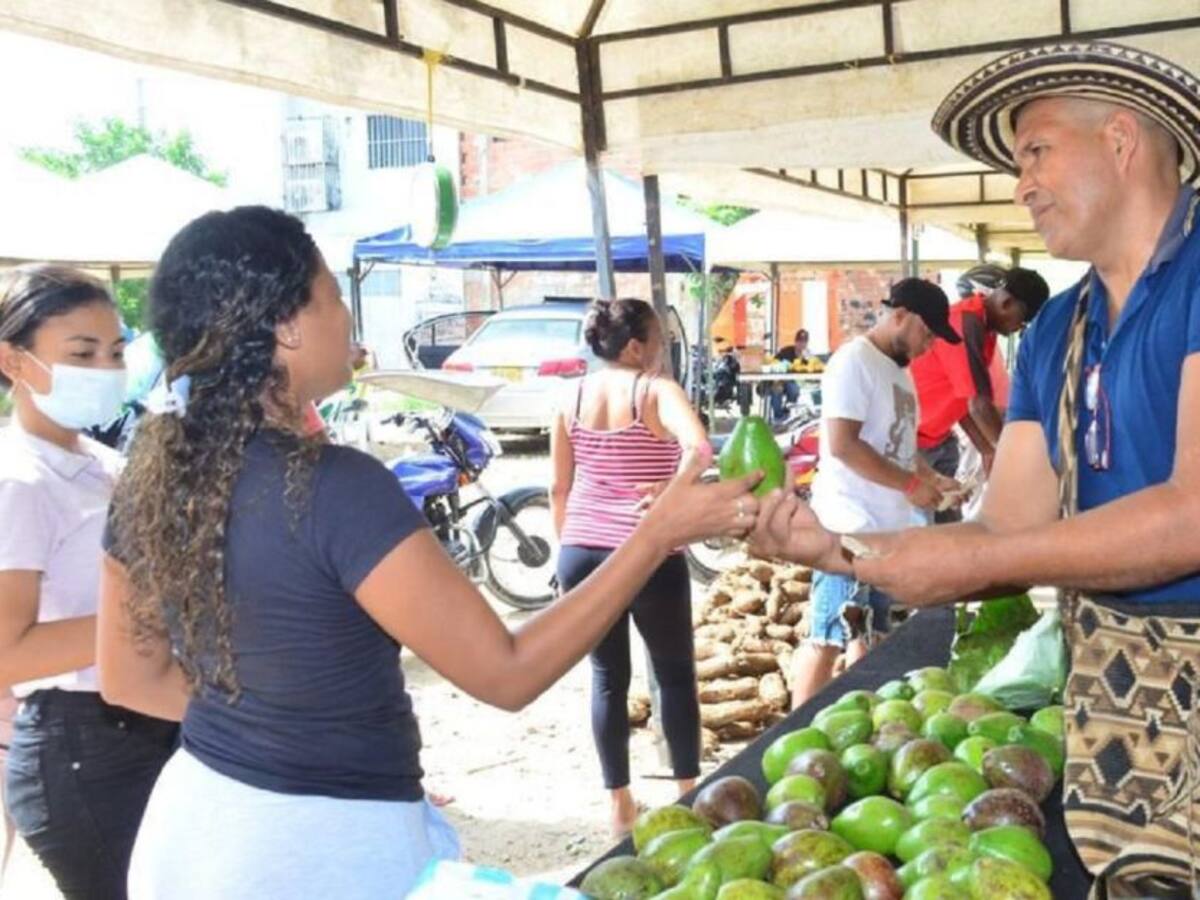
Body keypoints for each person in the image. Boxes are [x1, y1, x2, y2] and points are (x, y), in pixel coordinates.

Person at [95, 207, 759, 900]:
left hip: (195, 830)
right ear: (286, 326)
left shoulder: (154, 477)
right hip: (314, 858)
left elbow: (131, 680)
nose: (348, 319)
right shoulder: (337, 489)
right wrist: (652, 536)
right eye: (332, 296)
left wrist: (293, 738)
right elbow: (507, 674)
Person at [749, 40, 1200, 897]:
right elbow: (1010, 529)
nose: (1020, 182)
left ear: (1121, 141)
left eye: (1035, 151)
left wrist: (981, 559)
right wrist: (844, 556)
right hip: (1116, 709)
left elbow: (1192, 514)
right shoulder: (1057, 328)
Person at [0, 264, 178, 899]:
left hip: (144, 722)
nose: (105, 369)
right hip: (79, 747)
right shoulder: (18, 480)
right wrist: (149, 620)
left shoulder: (103, 464)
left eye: (115, 351)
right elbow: (7, 653)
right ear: (14, 362)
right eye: (81, 353)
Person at [550, 298, 709, 836]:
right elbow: (701, 450)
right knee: (673, 674)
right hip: (647, 550)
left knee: (606, 677)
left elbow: (558, 488)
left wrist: (567, 549)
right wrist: (669, 490)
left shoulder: (568, 396)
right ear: (636, 346)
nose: (663, 347)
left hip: (581, 550)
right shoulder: (656, 390)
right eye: (659, 337)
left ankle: (619, 805)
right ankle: (688, 798)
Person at [789, 279, 962, 706]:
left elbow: (899, 445)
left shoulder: (898, 372)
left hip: (886, 532)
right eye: (927, 333)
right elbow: (844, 444)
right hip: (847, 528)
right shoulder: (854, 361)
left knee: (871, 637)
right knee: (827, 635)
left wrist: (931, 478)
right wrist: (909, 485)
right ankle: (788, 734)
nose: (929, 346)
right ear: (900, 315)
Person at [910, 264, 1050, 521]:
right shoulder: (966, 324)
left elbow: (965, 401)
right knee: (919, 532)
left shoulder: (984, 328)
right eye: (1024, 319)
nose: (1020, 328)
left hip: (939, 439)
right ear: (1007, 302)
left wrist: (986, 449)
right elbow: (979, 404)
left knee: (949, 527)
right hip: (912, 447)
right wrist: (1010, 456)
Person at [769, 328, 811, 422]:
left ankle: (788, 412)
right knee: (777, 388)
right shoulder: (786, 351)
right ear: (795, 342)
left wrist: (806, 358)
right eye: (799, 341)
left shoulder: (807, 355)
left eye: (804, 342)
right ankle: (778, 416)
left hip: (794, 381)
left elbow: (810, 368)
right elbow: (774, 362)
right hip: (780, 379)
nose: (801, 344)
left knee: (794, 389)